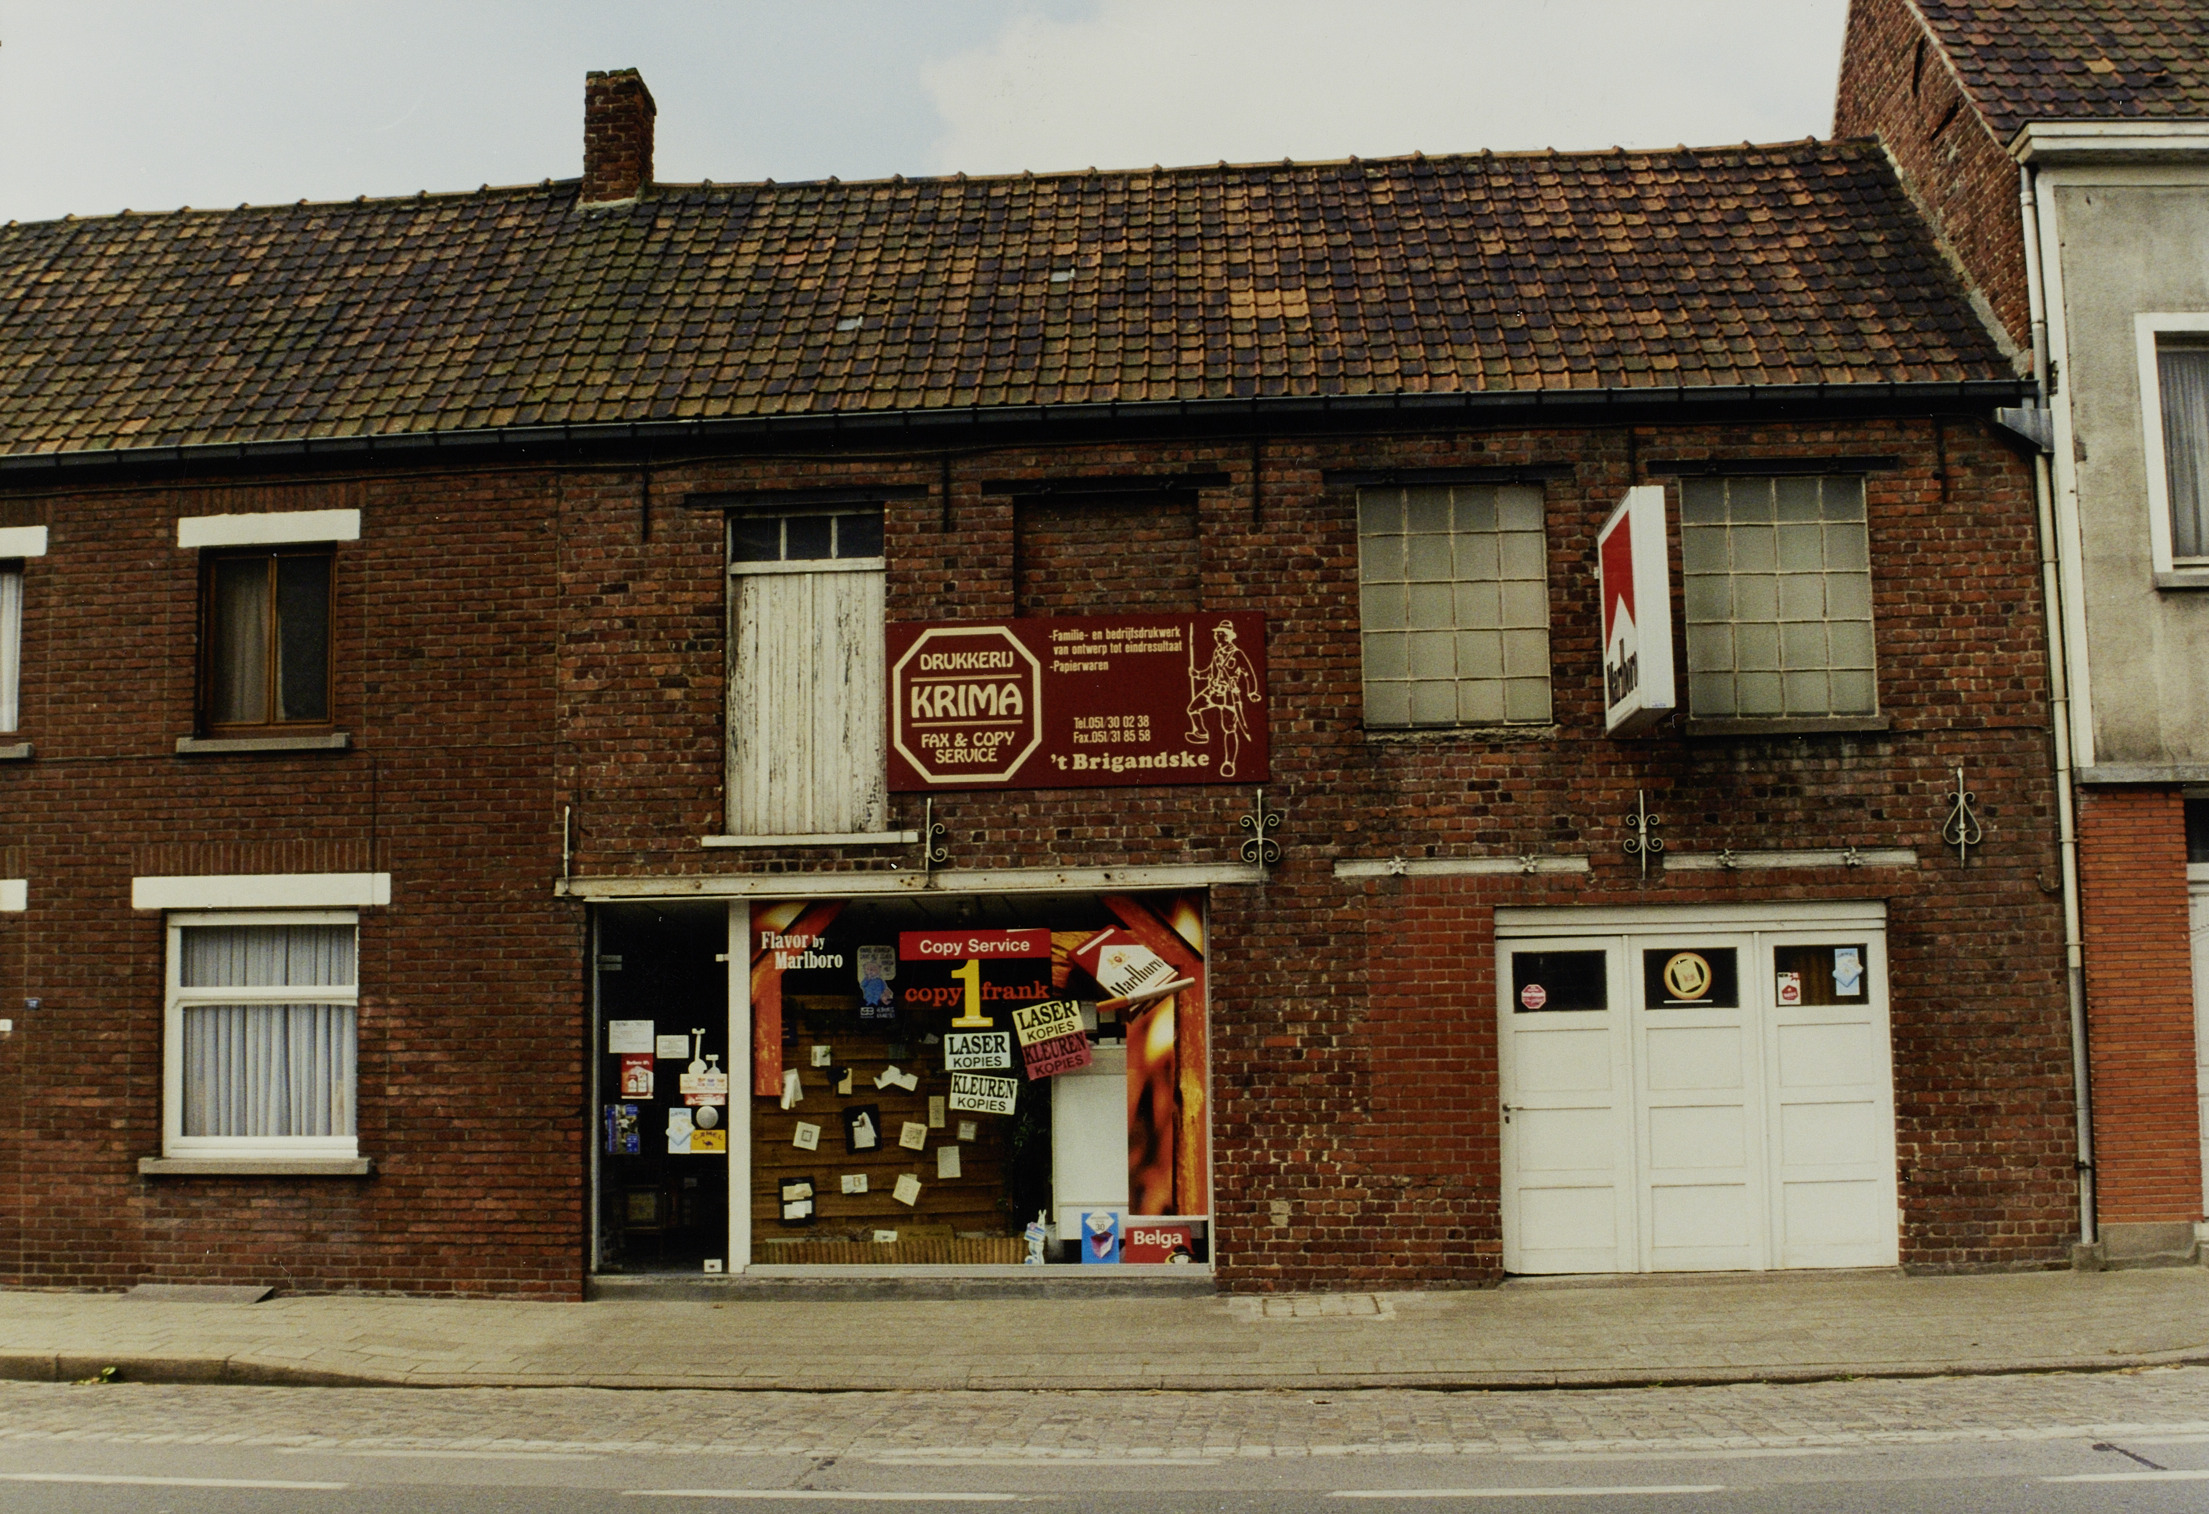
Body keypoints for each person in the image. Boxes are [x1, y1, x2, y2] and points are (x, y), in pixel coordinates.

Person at [1183, 620, 1262, 778]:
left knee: (1229, 728)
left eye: (1220, 634)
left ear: (1228, 636)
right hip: (1213, 691)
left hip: (1228, 695)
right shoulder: (1217, 651)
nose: (1217, 636)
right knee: (1192, 709)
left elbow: (1249, 674)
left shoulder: (1237, 654)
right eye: (1216, 634)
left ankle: (1229, 763)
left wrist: (1252, 692)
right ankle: (1201, 732)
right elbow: (1211, 671)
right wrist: (1198, 674)